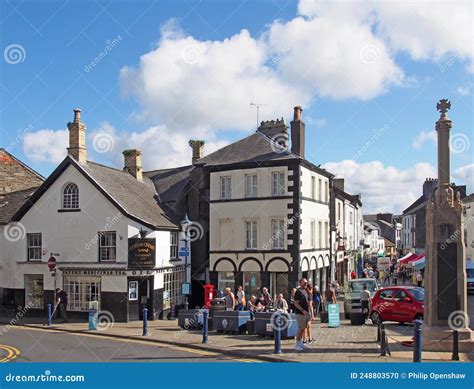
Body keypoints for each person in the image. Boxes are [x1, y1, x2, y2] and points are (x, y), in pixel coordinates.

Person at [293, 278, 310, 351]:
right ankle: (297, 345)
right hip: (300, 313)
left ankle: (300, 343)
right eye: (304, 283)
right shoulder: (298, 292)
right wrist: (303, 310)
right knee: (300, 329)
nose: (306, 284)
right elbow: (296, 303)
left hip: (306, 312)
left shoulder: (306, 290)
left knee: (303, 328)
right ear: (300, 283)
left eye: (306, 282)